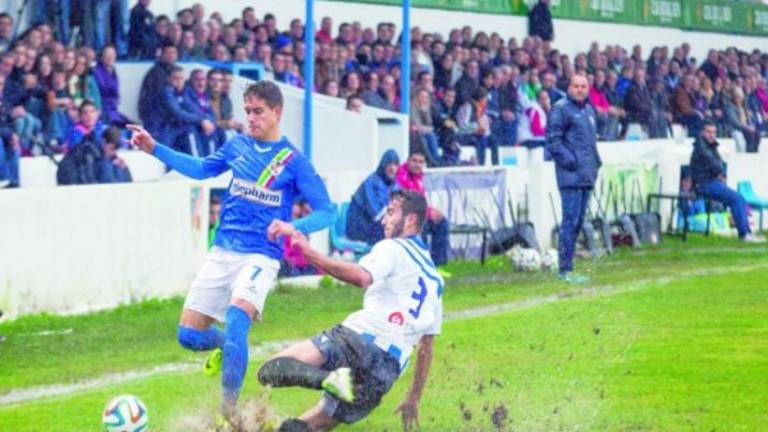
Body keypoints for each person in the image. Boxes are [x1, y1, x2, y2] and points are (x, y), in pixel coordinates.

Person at [127, 81, 336, 422]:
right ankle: (228, 347)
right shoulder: (236, 146)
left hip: (260, 256)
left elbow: (328, 211)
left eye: (258, 112)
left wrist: (293, 227)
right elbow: (199, 169)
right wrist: (154, 148)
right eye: (248, 111)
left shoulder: (293, 161)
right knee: (189, 336)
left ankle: (229, 415)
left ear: (277, 112)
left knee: (238, 319)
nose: (251, 118)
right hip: (222, 250)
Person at [257, 190, 443, 432]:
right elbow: (426, 348)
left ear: (410, 220)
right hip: (386, 372)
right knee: (308, 426)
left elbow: (361, 277)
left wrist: (309, 253)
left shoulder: (394, 247)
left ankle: (328, 380)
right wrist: (413, 398)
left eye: (390, 213)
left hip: (359, 340)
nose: (384, 220)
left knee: (270, 370)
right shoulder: (436, 280)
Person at [546, 74, 601, 284]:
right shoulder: (561, 109)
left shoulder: (588, 111)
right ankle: (564, 269)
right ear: (569, 87)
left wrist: (595, 165)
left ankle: (568, 266)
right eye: (576, 86)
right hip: (570, 175)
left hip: (586, 175)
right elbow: (553, 142)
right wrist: (572, 162)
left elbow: (590, 143)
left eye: (584, 86)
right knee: (569, 221)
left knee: (578, 222)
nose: (580, 89)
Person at [690, 121, 764, 243]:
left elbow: (719, 165)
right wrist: (719, 170)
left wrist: (719, 170)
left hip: (710, 181)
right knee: (736, 199)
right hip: (703, 184)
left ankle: (746, 233)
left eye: (714, 132)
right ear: (702, 132)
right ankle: (744, 234)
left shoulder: (709, 145)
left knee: (739, 198)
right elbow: (717, 165)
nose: (712, 135)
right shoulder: (702, 147)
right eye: (709, 132)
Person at [396, 151, 450, 275]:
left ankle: (436, 265)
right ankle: (421, 264)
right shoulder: (401, 176)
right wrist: (428, 211)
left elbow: (420, 202)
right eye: (414, 161)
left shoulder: (419, 179)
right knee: (421, 226)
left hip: (417, 215)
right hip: (403, 217)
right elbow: (407, 202)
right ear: (408, 161)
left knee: (441, 222)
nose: (417, 164)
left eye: (421, 162)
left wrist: (431, 211)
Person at [347, 149, 400, 244]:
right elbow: (375, 213)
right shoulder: (371, 182)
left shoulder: (394, 184)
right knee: (386, 229)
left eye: (395, 164)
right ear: (383, 165)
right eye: (389, 164)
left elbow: (398, 206)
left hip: (375, 225)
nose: (392, 168)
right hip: (358, 226)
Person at [138, 42, 178, 137]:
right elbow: (150, 100)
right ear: (162, 54)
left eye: (173, 53)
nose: (171, 56)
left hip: (170, 117)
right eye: (168, 53)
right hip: (156, 119)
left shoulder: (176, 72)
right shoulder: (154, 73)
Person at [92, 46, 131, 127]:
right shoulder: (96, 71)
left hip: (113, 111)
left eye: (112, 54)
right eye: (107, 54)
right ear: (102, 57)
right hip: (102, 111)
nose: (110, 57)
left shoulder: (113, 71)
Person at [456, 87, 496, 166]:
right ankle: (481, 165)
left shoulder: (481, 109)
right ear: (480, 98)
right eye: (485, 99)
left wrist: (485, 130)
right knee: (482, 139)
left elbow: (484, 127)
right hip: (465, 135)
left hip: (476, 133)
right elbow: (462, 126)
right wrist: (476, 128)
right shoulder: (468, 107)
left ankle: (496, 164)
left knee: (493, 140)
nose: (486, 101)